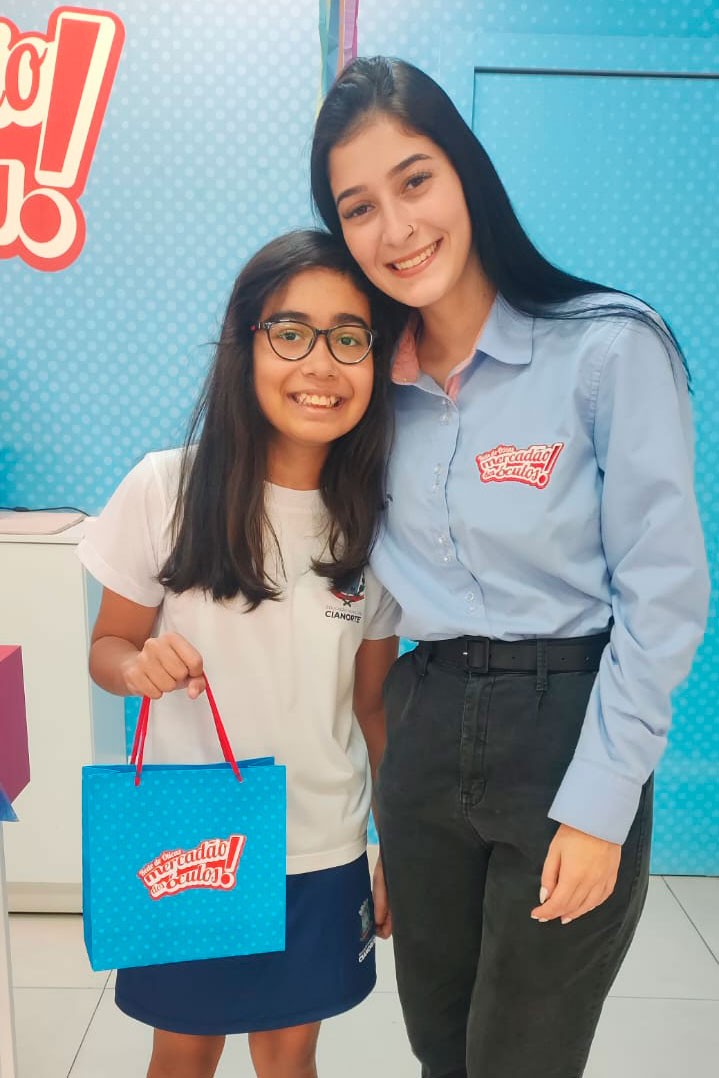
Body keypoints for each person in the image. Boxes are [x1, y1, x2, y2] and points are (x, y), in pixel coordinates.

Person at [310, 57, 710, 1078]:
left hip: (566, 724)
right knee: (438, 1048)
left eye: (414, 180)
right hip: (425, 726)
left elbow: (662, 598)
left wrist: (601, 802)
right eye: (358, 208)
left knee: (520, 1057)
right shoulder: (367, 387)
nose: (395, 229)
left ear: (466, 173)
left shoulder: (607, 348)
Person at [77, 229, 402, 1078]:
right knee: (183, 1052)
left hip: (322, 846)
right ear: (245, 344)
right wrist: (134, 667)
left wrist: (395, 847)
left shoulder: (379, 522)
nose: (320, 364)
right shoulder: (166, 487)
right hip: (192, 844)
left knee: (290, 1056)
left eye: (349, 337)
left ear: (377, 357)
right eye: (290, 333)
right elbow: (108, 646)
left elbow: (374, 707)